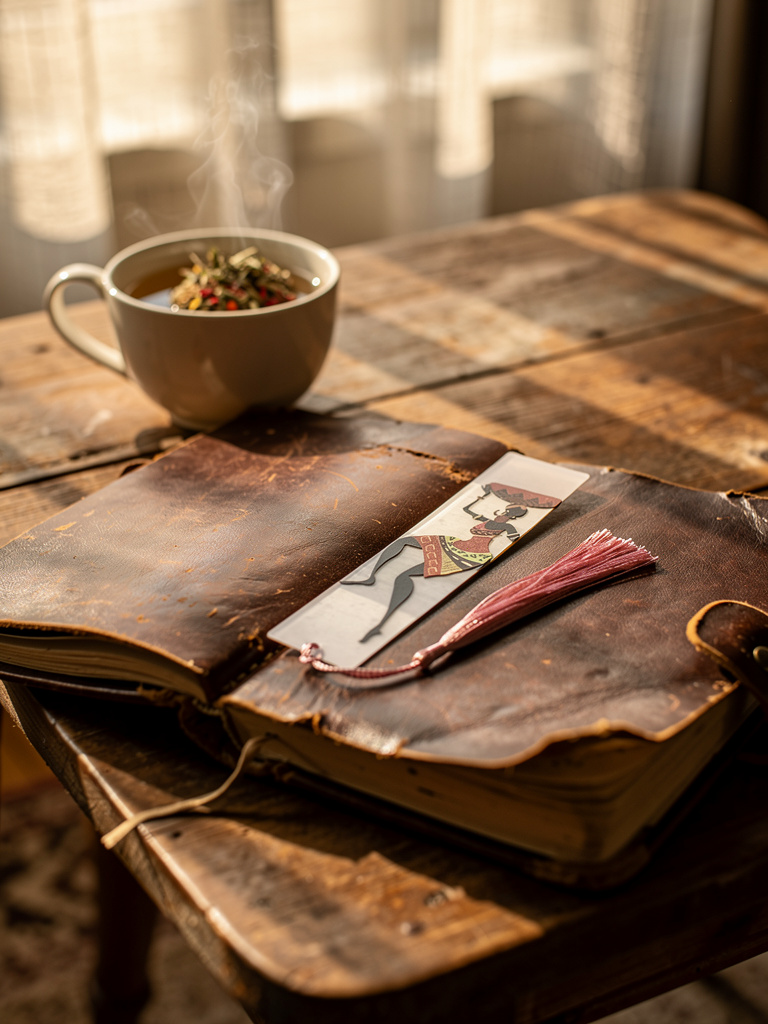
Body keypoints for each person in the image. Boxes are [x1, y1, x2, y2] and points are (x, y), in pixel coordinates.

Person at [343, 482, 560, 643]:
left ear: (512, 516)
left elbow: (514, 538)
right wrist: (481, 497)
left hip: (470, 556)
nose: (504, 513)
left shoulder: (508, 527)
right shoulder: (488, 520)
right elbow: (467, 511)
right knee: (405, 542)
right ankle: (370, 577)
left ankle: (381, 624)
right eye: (505, 510)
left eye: (508, 512)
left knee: (405, 576)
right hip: (456, 544)